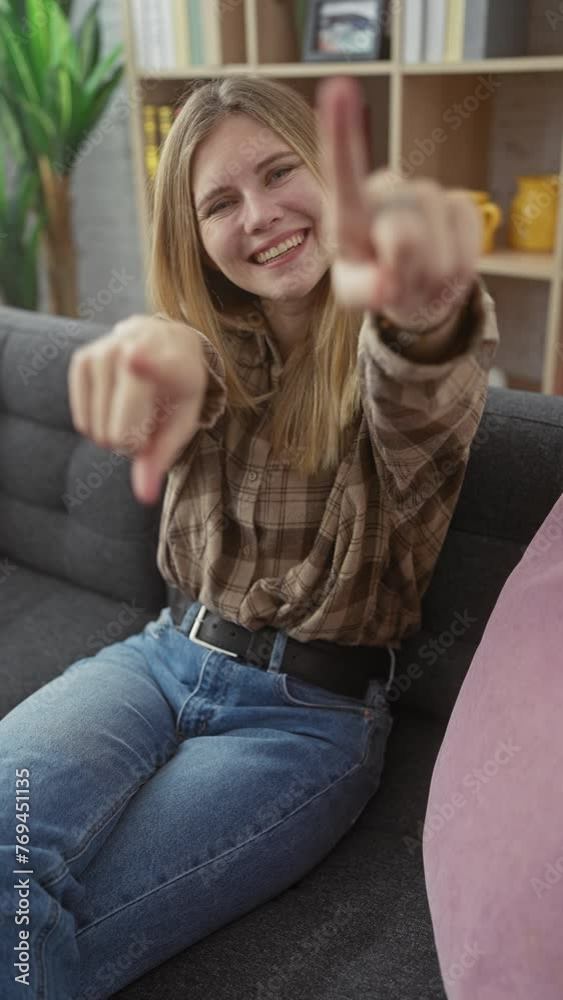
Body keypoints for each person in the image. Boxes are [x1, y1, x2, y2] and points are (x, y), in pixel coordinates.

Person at [0, 74, 500, 999]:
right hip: (157, 661)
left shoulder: (402, 344)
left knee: (44, 943)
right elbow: (174, 367)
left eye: (280, 173)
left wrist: (422, 304)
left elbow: (419, 380)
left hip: (304, 721)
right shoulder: (204, 344)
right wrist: (155, 350)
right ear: (192, 236)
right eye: (221, 202)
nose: (260, 215)